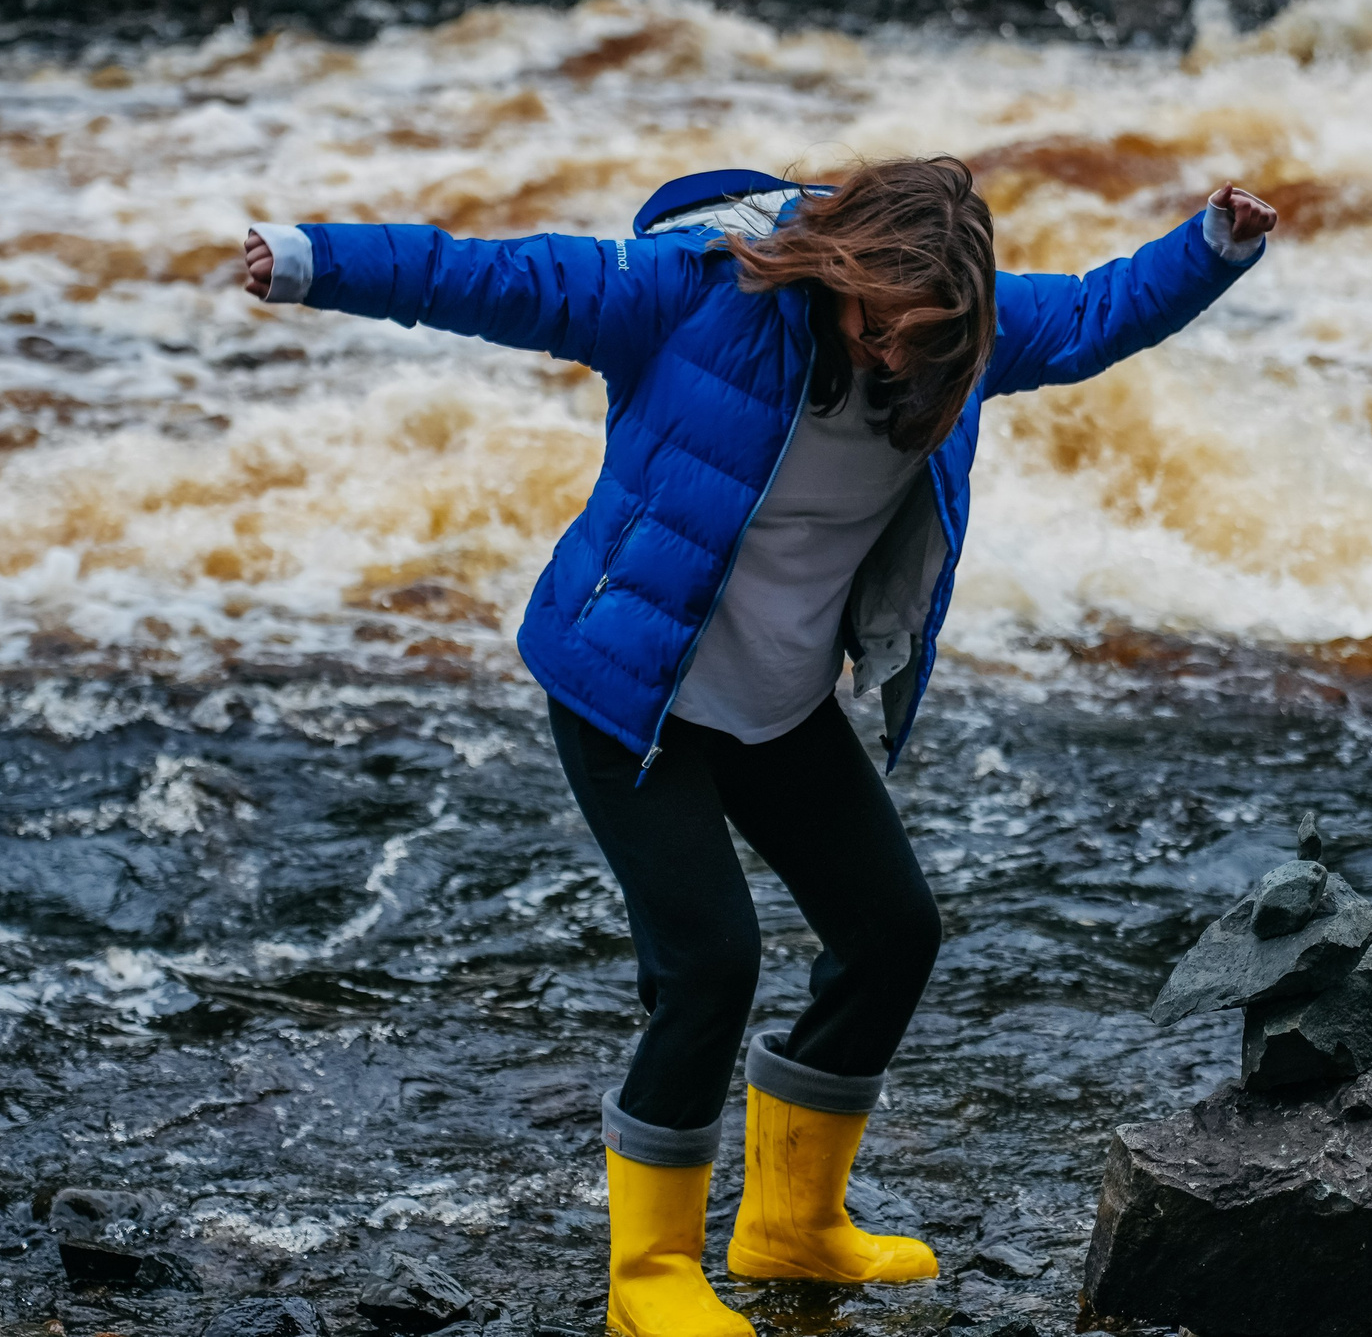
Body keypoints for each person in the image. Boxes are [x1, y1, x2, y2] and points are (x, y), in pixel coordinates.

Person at [242, 158, 1274, 1337]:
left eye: (921, 340)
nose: (893, 357)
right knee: (711, 965)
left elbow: (1094, 313)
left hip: (778, 704)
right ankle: (650, 1281)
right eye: (877, 327)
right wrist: (313, 260)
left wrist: (1211, 247)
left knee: (891, 936)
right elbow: (503, 278)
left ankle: (790, 1221)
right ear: (838, 271)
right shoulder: (695, 297)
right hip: (629, 690)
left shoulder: (961, 337)